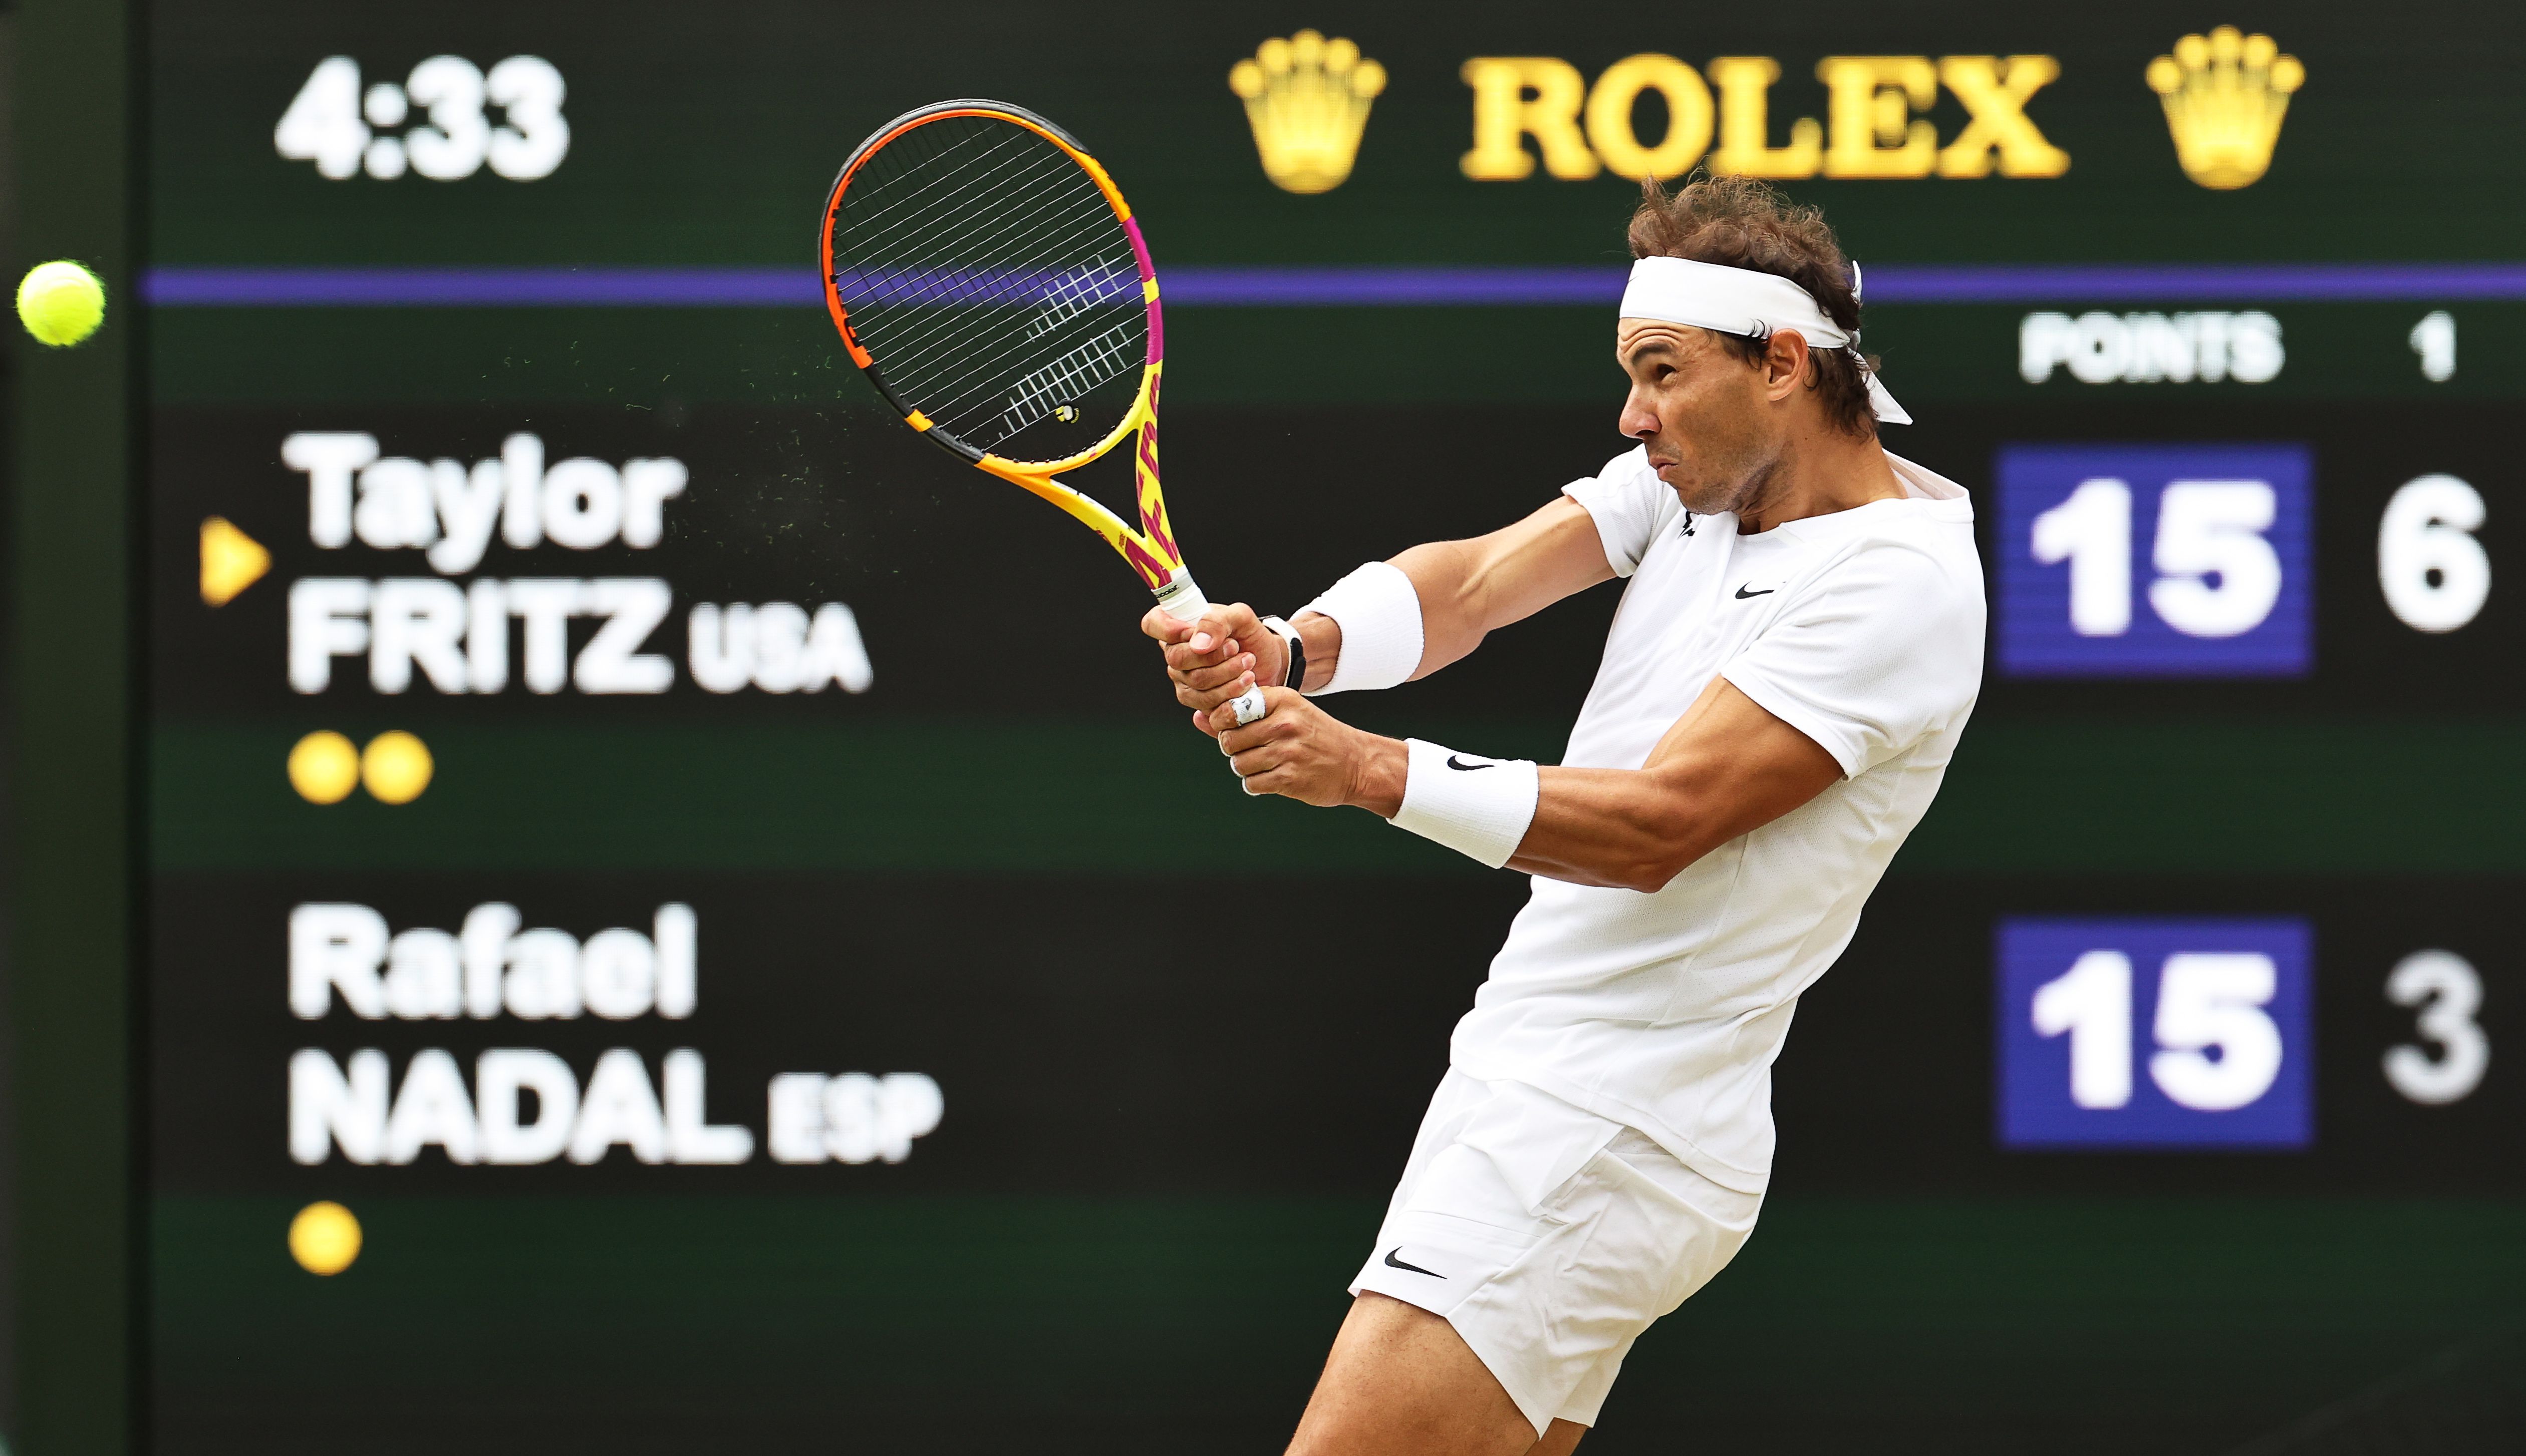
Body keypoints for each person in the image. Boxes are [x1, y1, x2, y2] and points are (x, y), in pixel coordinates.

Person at [1145, 175, 1987, 1456]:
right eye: (1627, 374)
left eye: (1660, 372)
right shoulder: (1698, 485)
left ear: (1779, 363)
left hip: (1603, 1123)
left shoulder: (1898, 583)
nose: (1631, 413)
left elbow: (1657, 825)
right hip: (1555, 1089)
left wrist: (1368, 770)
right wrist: (1296, 645)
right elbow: (1473, 585)